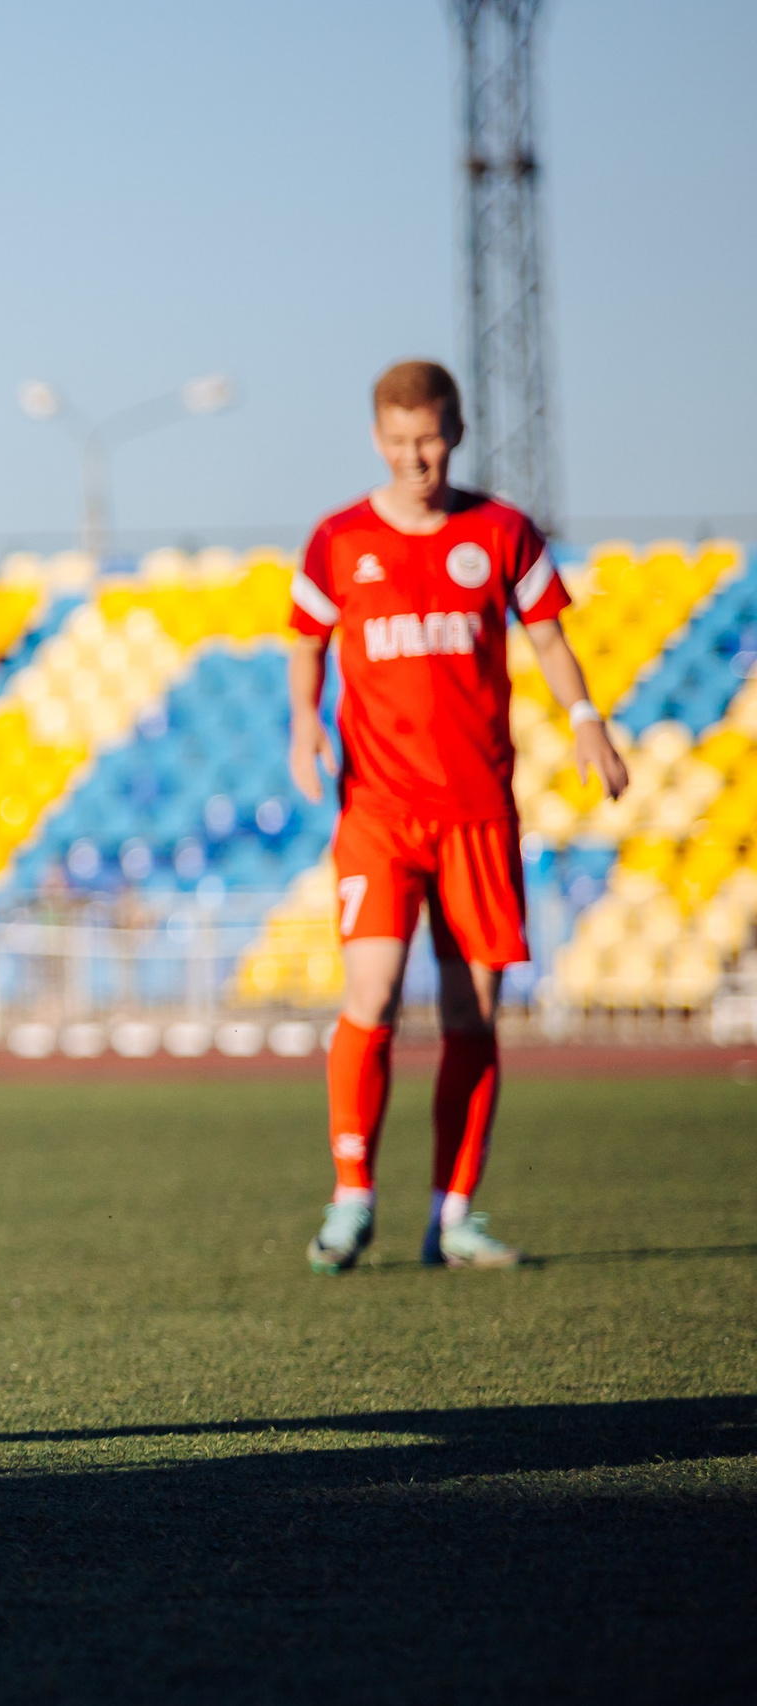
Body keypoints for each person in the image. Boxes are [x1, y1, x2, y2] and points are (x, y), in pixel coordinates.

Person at [286, 359, 627, 1274]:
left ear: (458, 429)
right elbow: (305, 641)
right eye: (398, 443)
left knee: (474, 1018)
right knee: (373, 996)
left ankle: (455, 1214)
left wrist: (587, 722)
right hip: (378, 812)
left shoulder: (502, 532)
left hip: (477, 811)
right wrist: (302, 730)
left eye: (429, 438)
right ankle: (353, 1196)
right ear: (376, 439)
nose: (416, 459)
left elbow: (549, 637)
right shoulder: (338, 540)